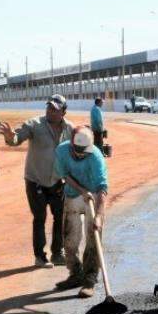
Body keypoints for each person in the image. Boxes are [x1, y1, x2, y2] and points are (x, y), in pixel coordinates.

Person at [0, 94, 73, 268]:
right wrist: (10, 136)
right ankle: (40, 257)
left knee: (60, 217)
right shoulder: (34, 124)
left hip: (57, 181)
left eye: (55, 109)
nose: (50, 111)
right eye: (49, 107)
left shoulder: (69, 128)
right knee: (40, 217)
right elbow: (16, 139)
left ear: (63, 112)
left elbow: (74, 150)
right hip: (36, 181)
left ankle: (58, 253)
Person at [53, 126, 108, 298]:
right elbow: (65, 175)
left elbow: (102, 188)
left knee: (93, 238)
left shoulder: (96, 156)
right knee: (69, 238)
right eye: (78, 152)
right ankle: (75, 274)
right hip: (73, 194)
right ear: (71, 145)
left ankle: (90, 280)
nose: (81, 155)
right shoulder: (61, 151)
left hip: (95, 196)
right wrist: (82, 190)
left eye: (84, 152)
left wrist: (98, 216)